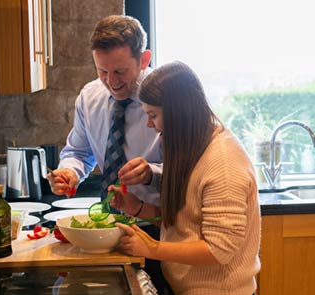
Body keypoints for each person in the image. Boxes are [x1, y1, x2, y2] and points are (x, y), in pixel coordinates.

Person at [111, 61, 261, 295]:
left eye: (153, 115)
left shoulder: (223, 163)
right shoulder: (189, 146)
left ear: (178, 112)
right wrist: (139, 208)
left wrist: (153, 248)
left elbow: (218, 250)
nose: (149, 124)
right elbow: (186, 223)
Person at [46, 14, 166, 293]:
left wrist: (152, 173)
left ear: (144, 59)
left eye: (120, 72)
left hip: (156, 226)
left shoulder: (165, 99)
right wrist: (70, 171)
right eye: (102, 71)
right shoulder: (89, 97)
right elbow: (78, 150)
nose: (111, 81)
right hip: (107, 225)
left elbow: (189, 169)